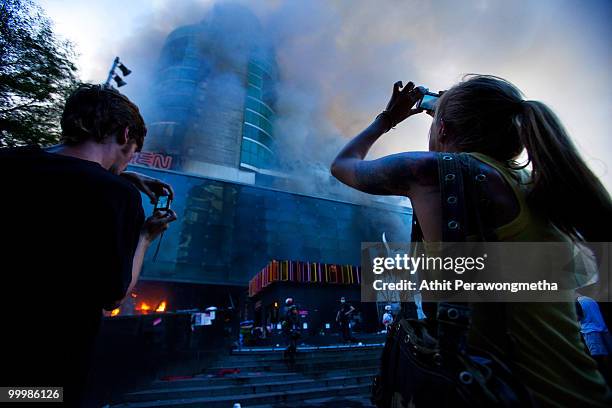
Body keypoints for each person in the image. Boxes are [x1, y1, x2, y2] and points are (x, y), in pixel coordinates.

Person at [331, 75, 612, 406]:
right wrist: (444, 109)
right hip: (582, 392)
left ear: (445, 130)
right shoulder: (531, 183)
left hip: (514, 396)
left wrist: (388, 119)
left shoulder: (429, 172)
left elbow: (343, 165)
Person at [0, 84, 177, 406]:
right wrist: (144, 237)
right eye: (133, 151)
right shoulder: (116, 196)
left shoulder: (9, 161)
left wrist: (120, 173)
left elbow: (55, 166)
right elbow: (114, 295)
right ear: (125, 134)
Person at [577, 295, 612, 384]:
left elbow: (578, 317)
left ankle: (604, 380)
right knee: (609, 354)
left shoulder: (577, 303)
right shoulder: (590, 299)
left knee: (599, 358)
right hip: (603, 328)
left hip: (590, 332)